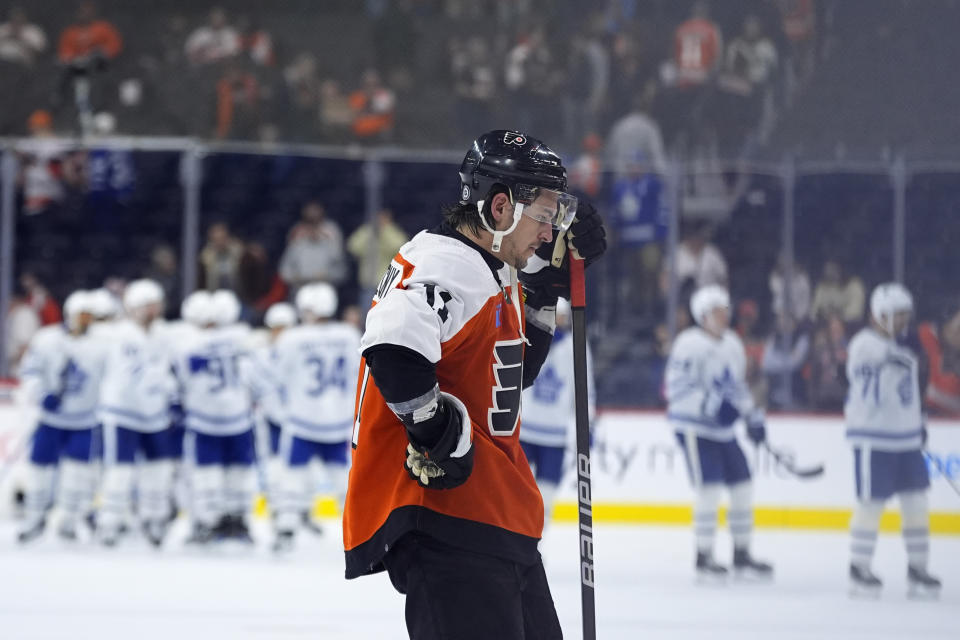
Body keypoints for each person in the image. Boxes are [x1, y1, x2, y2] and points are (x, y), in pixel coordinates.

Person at [342, 130, 606, 639]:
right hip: (449, 525)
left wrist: (546, 291)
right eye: (545, 217)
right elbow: (392, 344)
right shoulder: (446, 264)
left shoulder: (493, 269)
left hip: (495, 519)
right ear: (500, 207)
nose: (550, 235)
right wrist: (436, 433)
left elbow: (511, 377)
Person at [665, 285, 773, 581]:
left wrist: (752, 416)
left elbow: (736, 387)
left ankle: (741, 554)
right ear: (702, 315)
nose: (723, 316)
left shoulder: (733, 345)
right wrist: (714, 407)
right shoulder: (688, 344)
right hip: (695, 429)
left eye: (725, 310)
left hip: (723, 433)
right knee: (709, 491)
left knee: (742, 488)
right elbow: (678, 389)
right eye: (716, 311)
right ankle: (703, 555)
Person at [845, 283, 941, 598]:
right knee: (871, 504)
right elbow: (881, 372)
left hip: (906, 438)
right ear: (880, 315)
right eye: (897, 315)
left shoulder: (901, 349)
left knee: (916, 502)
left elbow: (909, 394)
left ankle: (918, 568)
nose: (903, 321)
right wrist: (908, 354)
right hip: (875, 438)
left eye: (905, 315)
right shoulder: (865, 344)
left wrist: (918, 423)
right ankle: (859, 567)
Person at [272, 283, 361, 552]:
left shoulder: (292, 338)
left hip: (302, 419)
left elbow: (278, 375)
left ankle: (286, 529)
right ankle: (360, 532)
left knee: (292, 478)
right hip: (338, 421)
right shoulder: (348, 334)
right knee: (345, 482)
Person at [17, 290, 104, 543]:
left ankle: (69, 521)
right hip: (51, 420)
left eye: (90, 316)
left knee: (77, 474)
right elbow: (29, 371)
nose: (86, 320)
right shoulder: (47, 339)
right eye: (82, 315)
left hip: (84, 421)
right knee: (40, 471)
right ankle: (34, 517)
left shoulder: (101, 345)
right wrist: (41, 394)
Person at [96, 280, 177, 547]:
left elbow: (171, 368)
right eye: (147, 306)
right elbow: (133, 373)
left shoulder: (165, 334)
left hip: (155, 414)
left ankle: (154, 519)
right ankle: (110, 521)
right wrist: (163, 384)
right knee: (120, 471)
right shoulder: (118, 335)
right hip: (123, 413)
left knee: (159, 469)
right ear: (133, 307)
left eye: (156, 305)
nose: (153, 310)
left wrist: (172, 392)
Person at [172, 288, 256, 544]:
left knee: (206, 474)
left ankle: (207, 522)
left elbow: (179, 380)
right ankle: (236, 521)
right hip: (238, 415)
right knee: (238, 473)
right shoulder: (242, 337)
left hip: (204, 418)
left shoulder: (186, 342)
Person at [518, 298, 595, 531]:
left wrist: (587, 425)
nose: (559, 321)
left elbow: (585, 390)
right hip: (525, 430)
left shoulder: (576, 346)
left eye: (562, 317)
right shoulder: (528, 338)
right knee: (517, 492)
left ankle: (535, 545)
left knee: (547, 496)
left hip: (555, 435)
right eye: (556, 316)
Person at [346, 208, 409, 309]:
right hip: (368, 285)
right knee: (367, 316)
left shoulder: (393, 231)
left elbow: (400, 247)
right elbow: (353, 246)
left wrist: (385, 231)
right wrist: (370, 231)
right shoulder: (367, 230)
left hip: (388, 285)